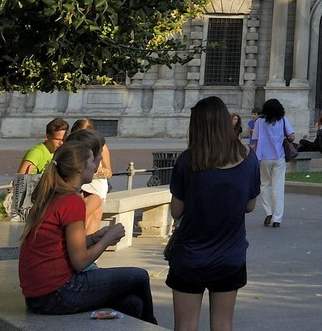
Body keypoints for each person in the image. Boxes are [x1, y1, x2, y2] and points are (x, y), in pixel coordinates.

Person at [17, 139, 155, 322]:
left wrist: (94, 238)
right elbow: (80, 262)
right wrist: (107, 240)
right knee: (139, 277)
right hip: (57, 293)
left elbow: (61, 245)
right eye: (92, 161)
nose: (97, 164)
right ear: (79, 169)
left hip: (38, 296)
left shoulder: (55, 194)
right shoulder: (71, 201)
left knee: (132, 303)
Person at [166, 96, 259, 331]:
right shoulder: (248, 158)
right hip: (230, 255)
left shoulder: (187, 161)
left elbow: (176, 211)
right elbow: (249, 206)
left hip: (190, 255)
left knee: (185, 326)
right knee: (223, 325)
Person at [253, 99, 293, 228]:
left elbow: (256, 141)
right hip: (279, 156)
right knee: (278, 187)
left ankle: (268, 212)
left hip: (264, 157)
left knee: (264, 185)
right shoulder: (283, 120)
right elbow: (292, 137)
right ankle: (277, 218)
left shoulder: (259, 122)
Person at [71, 118, 112, 234]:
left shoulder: (101, 147)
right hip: (79, 184)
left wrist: (103, 171)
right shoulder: (72, 147)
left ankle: (80, 238)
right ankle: (81, 238)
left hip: (96, 186)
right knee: (95, 213)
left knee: (93, 212)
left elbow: (109, 172)